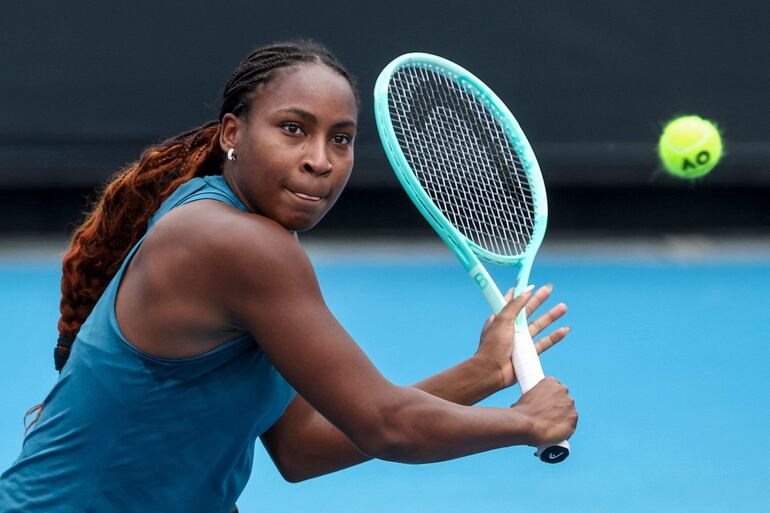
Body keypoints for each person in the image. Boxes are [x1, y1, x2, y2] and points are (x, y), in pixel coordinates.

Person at [0, 40, 577, 512]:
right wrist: (524, 423)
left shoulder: (242, 233)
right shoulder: (234, 243)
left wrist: (481, 373)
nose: (321, 160)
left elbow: (301, 447)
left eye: (341, 139)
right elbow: (385, 425)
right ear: (232, 133)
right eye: (294, 129)